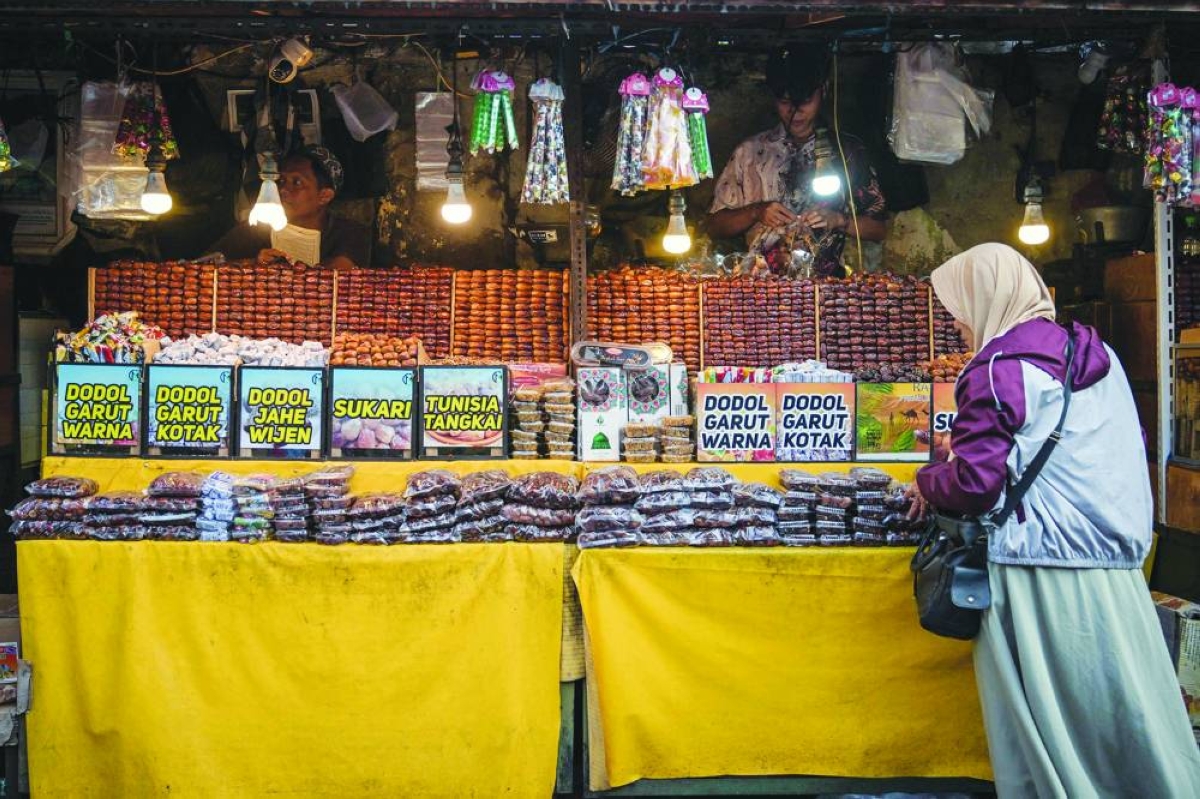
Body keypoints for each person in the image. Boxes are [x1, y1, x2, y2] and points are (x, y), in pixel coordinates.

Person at [910, 243, 1200, 798]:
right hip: (1113, 570)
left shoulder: (995, 370)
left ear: (986, 300)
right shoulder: (1099, 357)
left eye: (959, 311)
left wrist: (927, 478)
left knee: (1046, 719)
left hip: (1039, 570)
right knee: (1121, 708)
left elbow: (974, 488)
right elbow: (1091, 449)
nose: (958, 326)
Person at [707, 46, 887, 277]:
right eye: (785, 102)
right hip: (761, 290)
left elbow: (879, 229)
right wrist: (755, 212)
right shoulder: (749, 152)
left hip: (828, 292)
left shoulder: (847, 152)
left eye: (805, 101)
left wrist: (839, 220)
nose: (795, 112)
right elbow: (714, 226)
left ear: (824, 91)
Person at [208, 146, 370, 269]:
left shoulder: (349, 233)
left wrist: (281, 269)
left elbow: (337, 275)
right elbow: (203, 265)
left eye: (297, 182)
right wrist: (252, 264)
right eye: (281, 181)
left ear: (324, 196)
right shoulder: (257, 229)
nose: (283, 190)